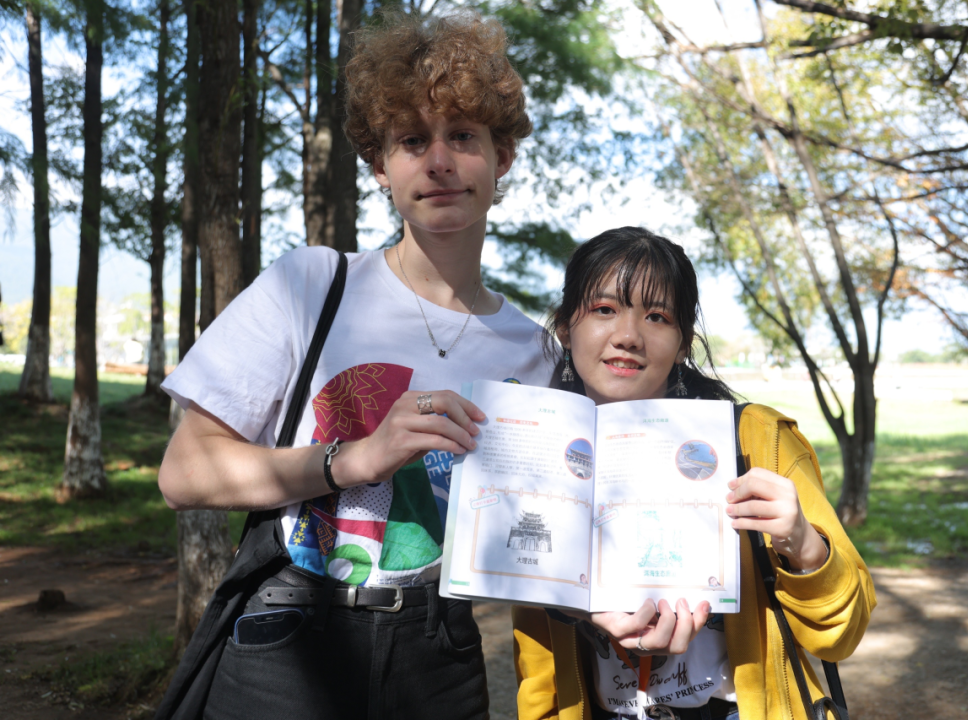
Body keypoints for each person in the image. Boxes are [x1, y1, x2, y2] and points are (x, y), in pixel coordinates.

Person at [156, 11, 549, 720]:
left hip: (442, 656)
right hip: (288, 641)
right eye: (411, 140)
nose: (438, 161)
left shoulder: (536, 353)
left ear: (503, 156)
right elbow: (183, 473)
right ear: (379, 167)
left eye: (463, 135)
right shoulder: (311, 283)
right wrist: (353, 460)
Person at [512, 227, 876, 720]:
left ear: (683, 342)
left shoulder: (756, 440)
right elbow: (539, 667)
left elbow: (842, 634)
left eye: (657, 317)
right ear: (564, 326)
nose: (628, 336)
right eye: (604, 309)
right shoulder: (541, 455)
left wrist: (803, 544)